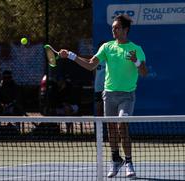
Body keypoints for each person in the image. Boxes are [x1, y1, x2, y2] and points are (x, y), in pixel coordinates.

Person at [59, 14, 148, 178]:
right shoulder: (107, 47)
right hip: (108, 94)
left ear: (125, 30)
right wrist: (71, 55)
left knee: (122, 124)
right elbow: (90, 65)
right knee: (111, 128)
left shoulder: (136, 49)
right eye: (112, 28)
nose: (113, 30)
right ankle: (115, 159)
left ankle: (128, 162)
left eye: (117, 28)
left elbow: (144, 73)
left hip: (127, 95)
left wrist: (136, 61)